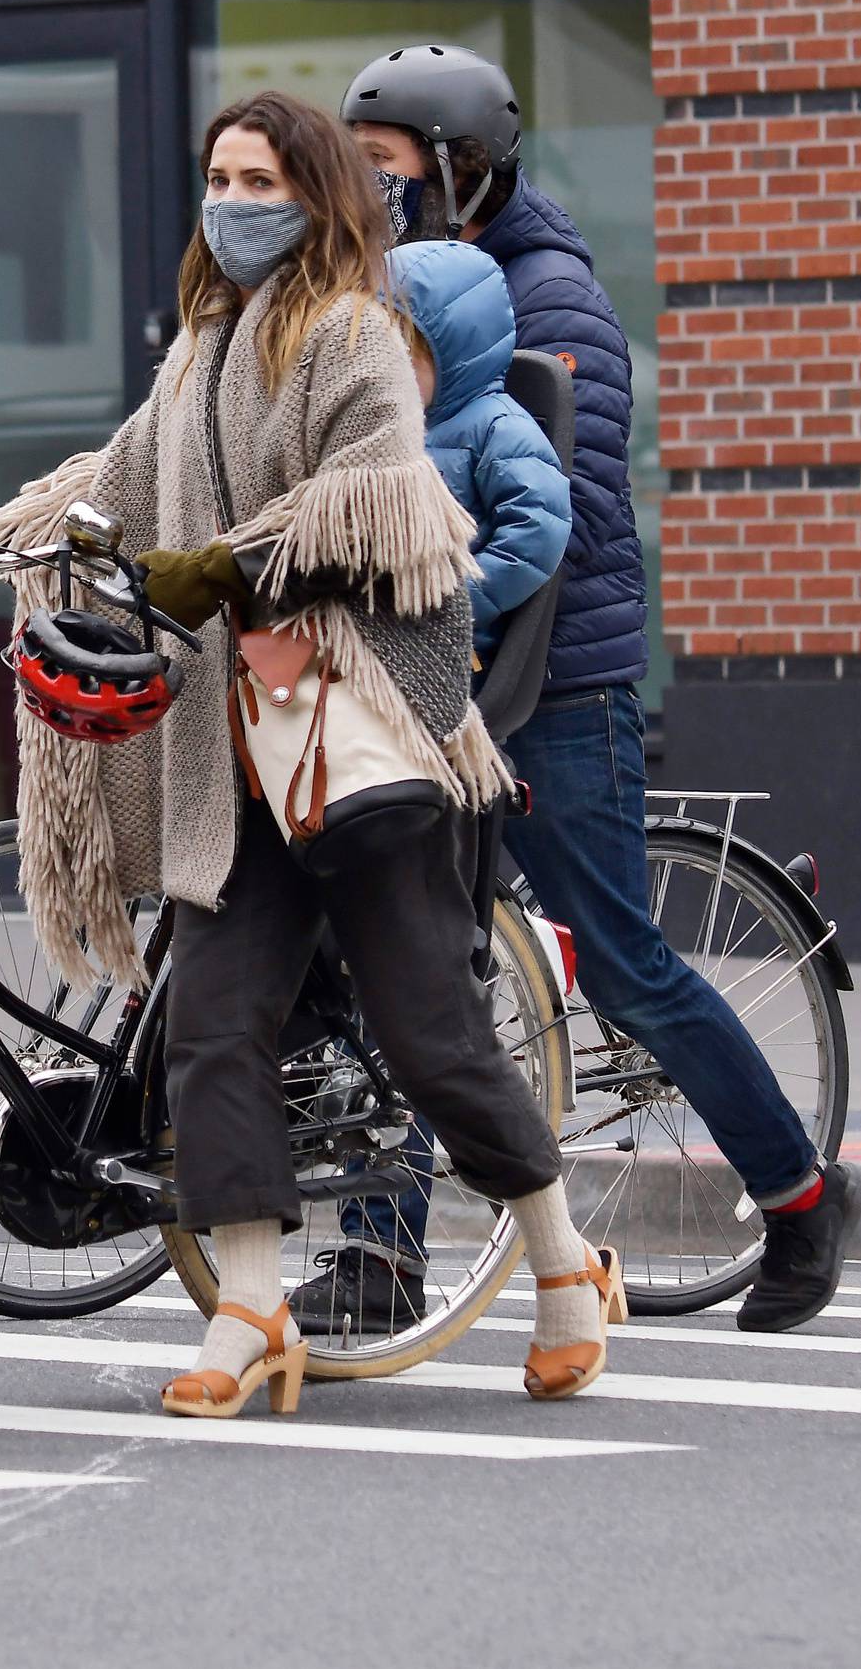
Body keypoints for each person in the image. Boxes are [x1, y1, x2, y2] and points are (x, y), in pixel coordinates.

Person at [0, 90, 622, 1415]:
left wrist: (211, 566)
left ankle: (566, 1268)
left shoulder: (357, 337)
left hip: (362, 736)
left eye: (258, 178)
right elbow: (107, 486)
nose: (232, 202)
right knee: (214, 1033)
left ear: (317, 192)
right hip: (229, 755)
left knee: (433, 1035)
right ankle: (248, 1309)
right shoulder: (198, 346)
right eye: (219, 176)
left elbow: (371, 504)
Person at [340, 43, 861, 1334]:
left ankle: (800, 1197)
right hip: (434, 682)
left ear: (460, 170)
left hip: (554, 690)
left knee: (625, 969)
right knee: (416, 959)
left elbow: (548, 517)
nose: (373, 199)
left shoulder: (549, 300)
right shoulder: (399, 292)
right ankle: (378, 1252)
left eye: (389, 172)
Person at [287, 236, 572, 1327]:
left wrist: (454, 593)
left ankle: (389, 1252)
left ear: (447, 346)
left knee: (409, 990)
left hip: (439, 693)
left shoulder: (493, 425)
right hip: (362, 682)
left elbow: (541, 527)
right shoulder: (375, 431)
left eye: (398, 347)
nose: (379, 366)